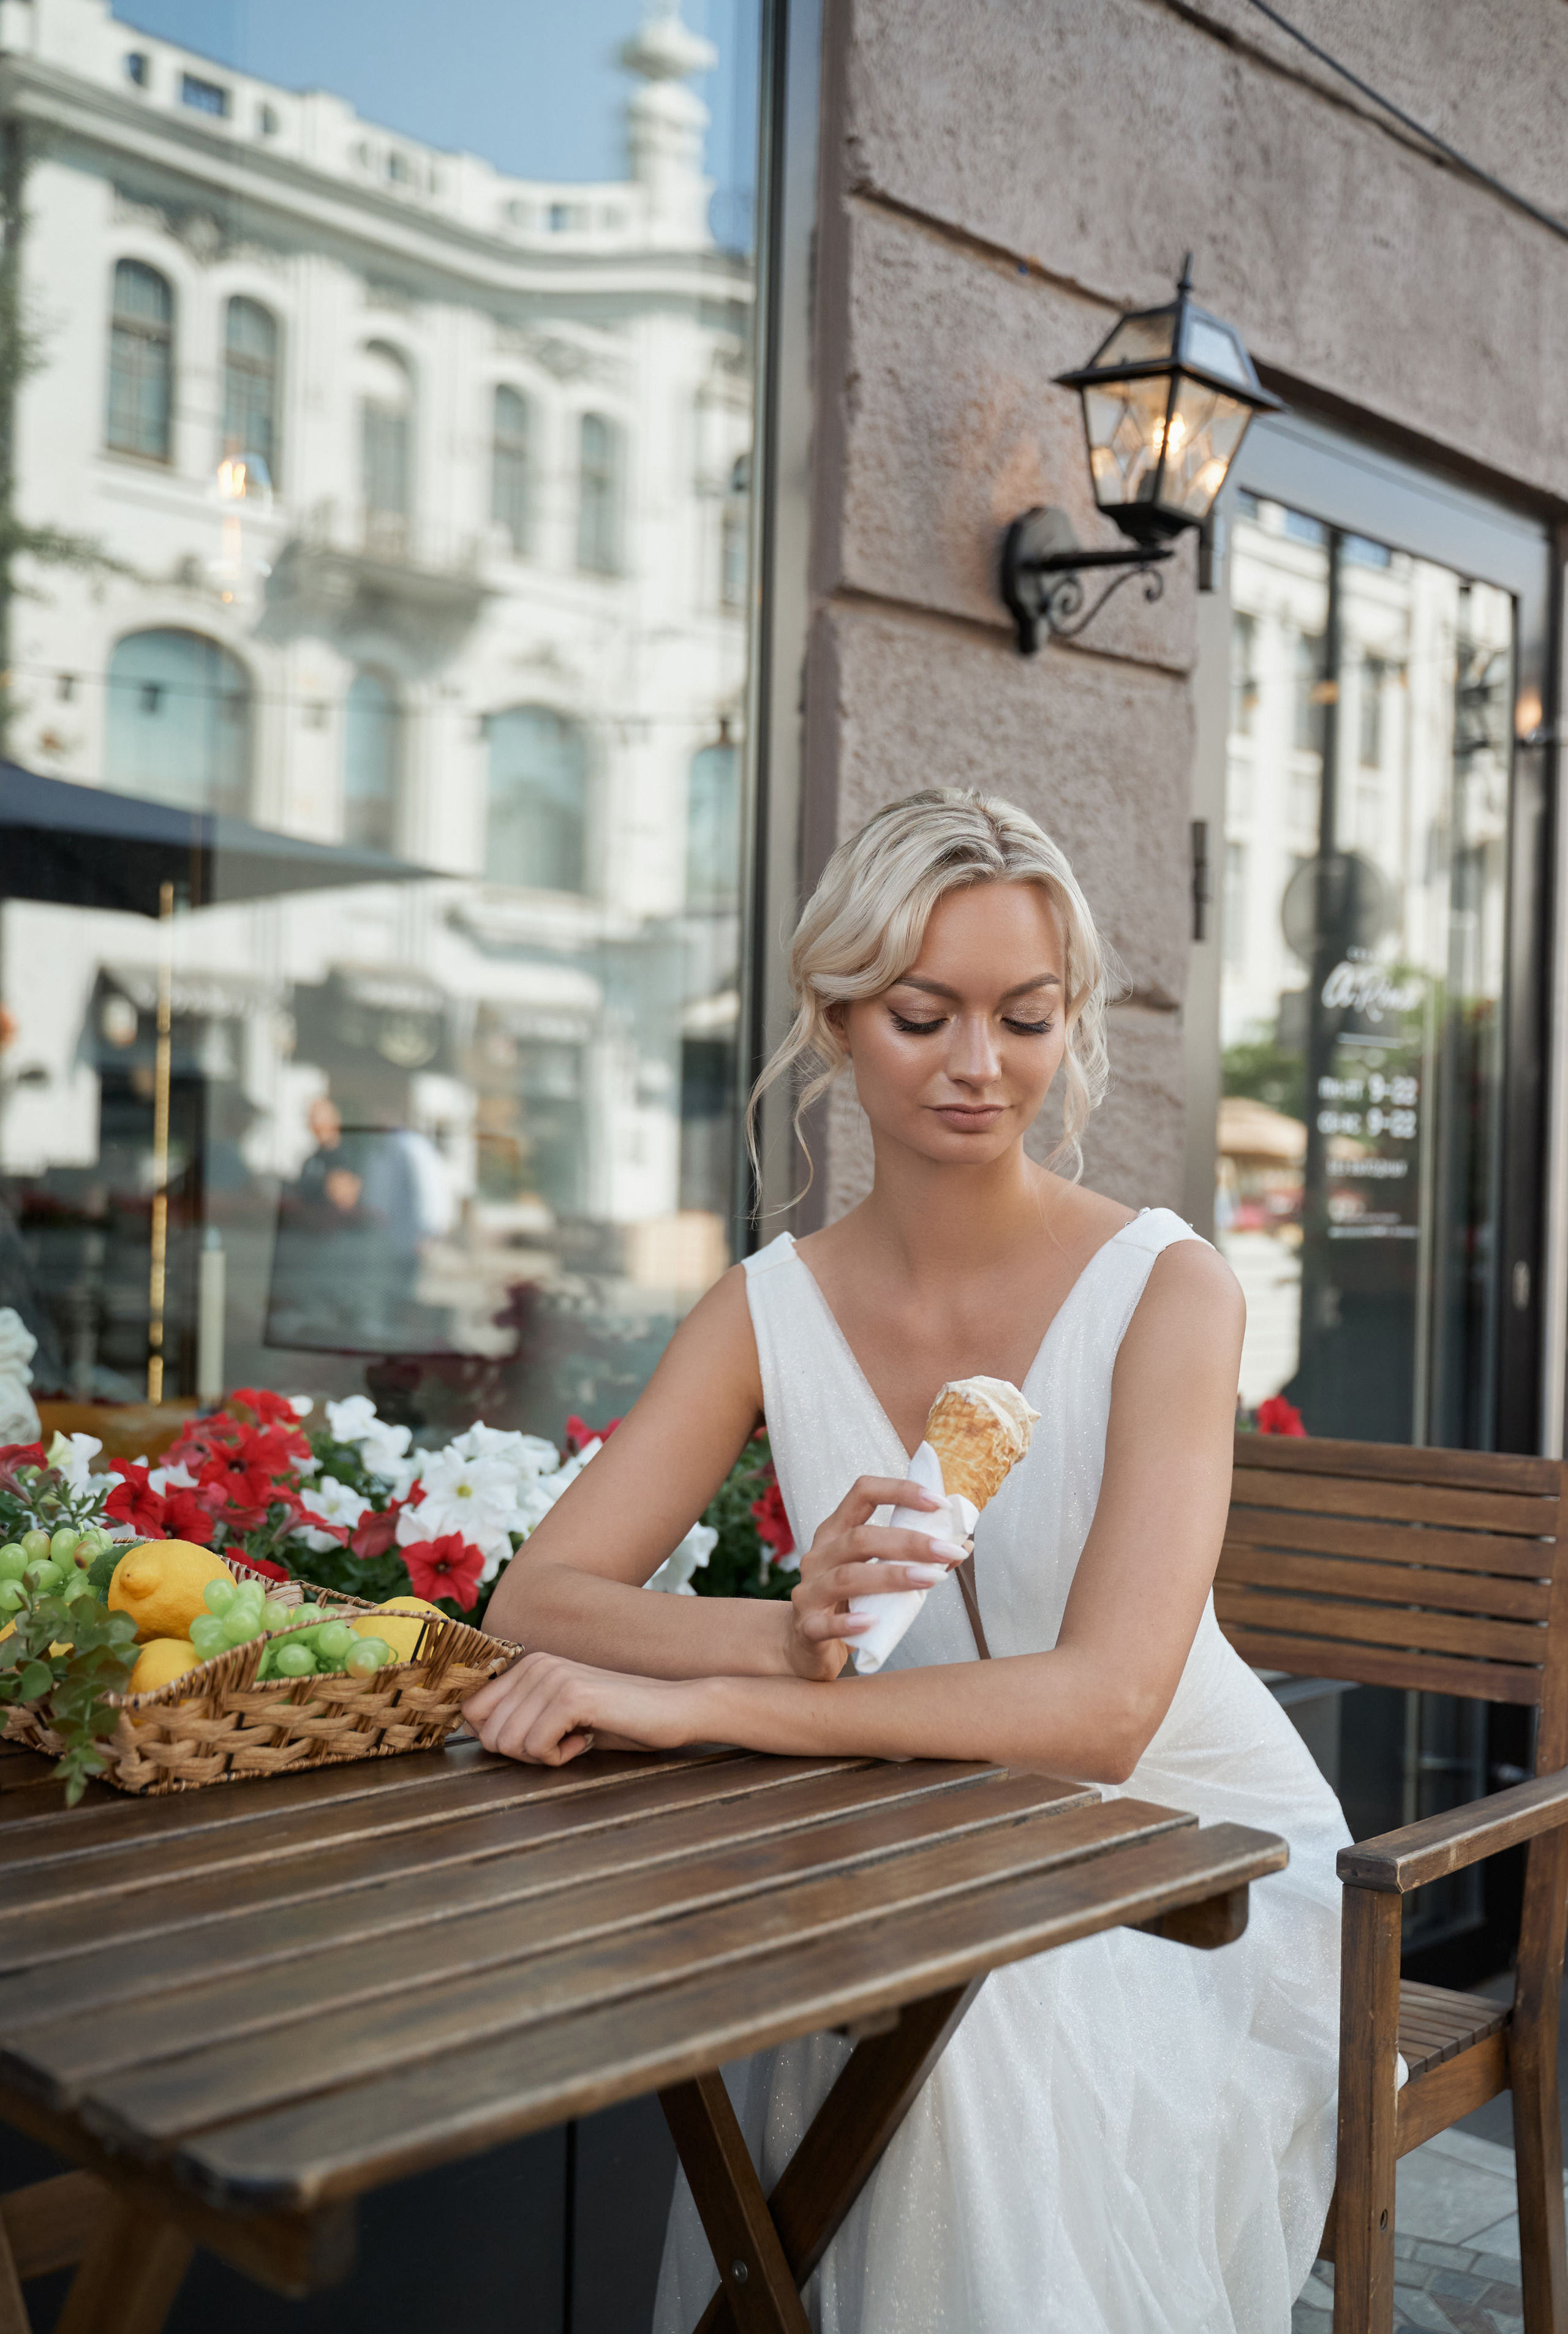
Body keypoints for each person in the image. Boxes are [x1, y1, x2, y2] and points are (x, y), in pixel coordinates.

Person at [471, 788, 1349, 2334]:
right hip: (918, 1830)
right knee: (842, 1980)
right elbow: (535, 1601)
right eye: (920, 1013)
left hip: (1193, 1861)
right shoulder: (765, 1307)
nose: (975, 1066)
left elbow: (1100, 1713)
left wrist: (707, 1707)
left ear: (1068, 1026)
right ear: (832, 1020)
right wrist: (783, 1632)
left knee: (952, 2027)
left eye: (1024, 1017)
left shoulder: (1168, 1289)